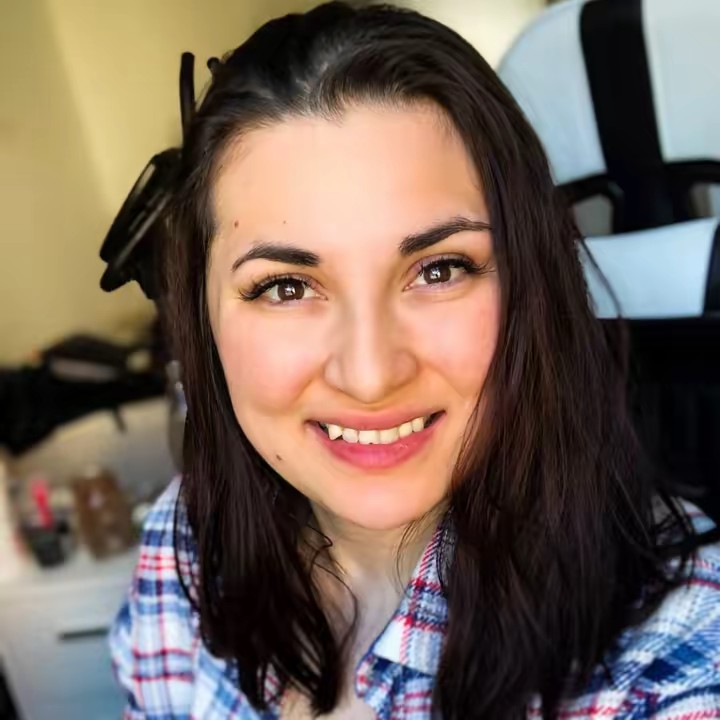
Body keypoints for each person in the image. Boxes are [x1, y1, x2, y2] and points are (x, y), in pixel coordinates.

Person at [108, 3, 720, 718]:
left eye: (440, 269)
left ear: (534, 285)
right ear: (200, 317)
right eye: (286, 287)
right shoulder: (185, 545)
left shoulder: (672, 656)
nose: (370, 376)